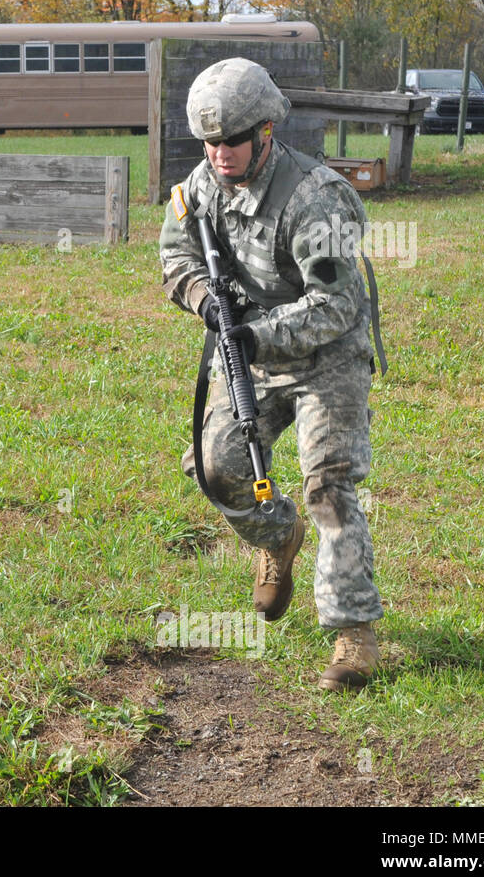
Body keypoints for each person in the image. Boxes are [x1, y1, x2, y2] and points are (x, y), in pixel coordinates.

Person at [158, 57, 387, 692]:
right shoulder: (200, 186)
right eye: (209, 141)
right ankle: (276, 535)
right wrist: (206, 299)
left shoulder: (318, 195)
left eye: (232, 139)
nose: (219, 153)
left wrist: (256, 332)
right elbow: (175, 253)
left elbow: (338, 305)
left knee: (329, 487)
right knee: (214, 466)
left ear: (264, 131)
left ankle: (353, 631)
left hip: (325, 355)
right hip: (250, 348)